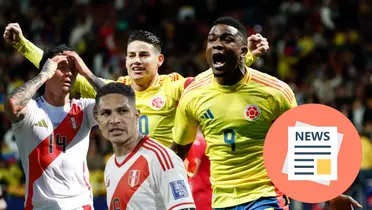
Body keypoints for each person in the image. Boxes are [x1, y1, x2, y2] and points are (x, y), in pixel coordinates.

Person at [171, 16, 362, 210]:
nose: (217, 45)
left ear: (243, 51)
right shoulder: (193, 95)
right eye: (212, 40)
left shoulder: (275, 92)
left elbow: (305, 145)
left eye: (227, 39)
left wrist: (332, 194)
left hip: (266, 196)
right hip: (221, 201)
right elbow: (178, 153)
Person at [3, 23, 268, 149]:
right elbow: (59, 67)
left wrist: (247, 56)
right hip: (129, 182)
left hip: (167, 185)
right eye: (131, 56)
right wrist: (21, 44)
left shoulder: (174, 86)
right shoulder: (116, 88)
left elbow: (210, 79)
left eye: (144, 55)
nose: (137, 61)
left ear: (159, 60)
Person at [4, 44, 105, 209]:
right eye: (61, 67)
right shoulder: (31, 109)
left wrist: (86, 73)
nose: (69, 73)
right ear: (48, 69)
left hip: (80, 205)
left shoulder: (84, 109)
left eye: (73, 68)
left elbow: (119, 104)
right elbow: (12, 104)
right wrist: (43, 75)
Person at [93, 82, 196, 210]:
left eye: (122, 111)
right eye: (106, 113)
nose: (115, 120)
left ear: (136, 116)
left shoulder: (160, 158)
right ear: (97, 119)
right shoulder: (110, 165)